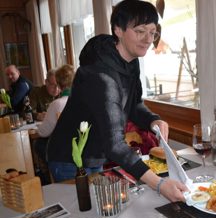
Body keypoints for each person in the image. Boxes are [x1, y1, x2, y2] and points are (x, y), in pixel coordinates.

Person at [47, 0, 187, 202]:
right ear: (118, 30)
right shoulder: (101, 75)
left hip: (96, 153)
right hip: (70, 160)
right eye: (140, 31)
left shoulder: (131, 62)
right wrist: (160, 184)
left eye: (152, 32)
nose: (148, 39)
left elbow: (134, 105)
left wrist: (153, 120)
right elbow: (115, 144)